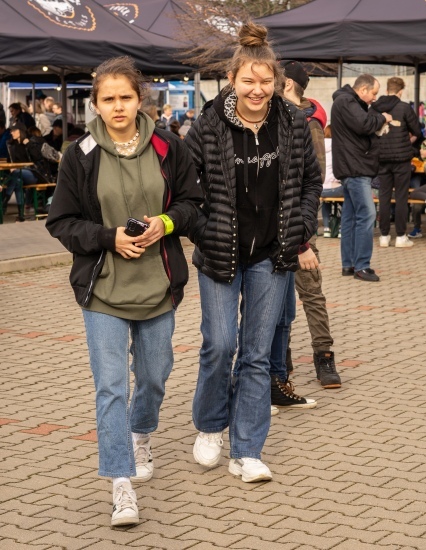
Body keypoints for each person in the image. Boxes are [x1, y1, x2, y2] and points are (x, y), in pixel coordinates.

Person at [45, 56, 202, 527]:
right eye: (108, 99)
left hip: (158, 286)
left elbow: (196, 204)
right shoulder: (81, 154)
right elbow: (61, 222)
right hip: (103, 292)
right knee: (110, 387)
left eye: (125, 97)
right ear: (95, 103)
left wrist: (165, 223)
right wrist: (107, 237)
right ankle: (121, 484)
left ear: (140, 99)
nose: (117, 106)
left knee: (154, 376)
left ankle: (141, 432)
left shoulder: (168, 146)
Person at [184, 23, 322, 482]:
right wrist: (203, 229)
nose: (258, 90)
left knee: (258, 354)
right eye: (249, 81)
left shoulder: (294, 122)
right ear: (233, 79)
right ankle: (209, 426)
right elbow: (186, 184)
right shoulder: (208, 123)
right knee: (220, 345)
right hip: (220, 252)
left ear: (277, 82)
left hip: (272, 253)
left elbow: (310, 181)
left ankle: (247, 450)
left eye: (266, 82)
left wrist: (301, 226)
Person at [268, 62, 340, 415]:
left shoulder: (307, 123)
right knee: (278, 303)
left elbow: (311, 186)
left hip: (298, 231)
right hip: (269, 232)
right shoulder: (269, 118)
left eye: (274, 81)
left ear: (289, 84)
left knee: (311, 293)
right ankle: (280, 363)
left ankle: (323, 357)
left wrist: (304, 241)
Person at [331, 74, 392, 282]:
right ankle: (362, 266)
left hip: (352, 167)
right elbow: (365, 124)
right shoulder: (346, 100)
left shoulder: (346, 101)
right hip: (356, 168)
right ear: (362, 89)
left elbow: (361, 125)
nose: (374, 98)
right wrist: (383, 118)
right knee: (367, 215)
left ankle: (349, 264)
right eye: (373, 93)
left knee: (350, 218)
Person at [369, 77, 422, 248]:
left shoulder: (374, 108)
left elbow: (368, 130)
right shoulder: (405, 107)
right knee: (401, 197)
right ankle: (400, 236)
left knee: (384, 196)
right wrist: (406, 142)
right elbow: (416, 131)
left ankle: (384, 236)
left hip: (382, 158)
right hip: (402, 159)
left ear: (386, 89)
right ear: (401, 91)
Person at [3, 121, 38, 219]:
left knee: (17, 173)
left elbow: (37, 158)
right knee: (17, 181)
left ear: (21, 131)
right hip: (17, 174)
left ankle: (5, 200)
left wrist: (29, 145)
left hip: (32, 174)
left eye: (14, 130)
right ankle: (21, 214)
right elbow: (10, 162)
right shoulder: (11, 145)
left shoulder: (29, 142)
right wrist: (11, 168)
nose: (11, 133)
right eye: (11, 131)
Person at [321, 125, 344, 235]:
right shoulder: (338, 147)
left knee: (326, 201)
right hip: (335, 189)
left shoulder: (318, 146)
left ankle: (326, 228)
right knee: (348, 194)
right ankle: (341, 229)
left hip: (320, 190)